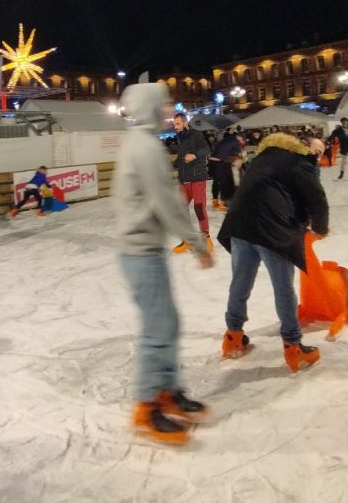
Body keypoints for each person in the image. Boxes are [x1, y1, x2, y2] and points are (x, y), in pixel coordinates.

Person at [114, 83, 213, 445]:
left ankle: (168, 389)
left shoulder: (138, 142)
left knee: (168, 323)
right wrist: (197, 243)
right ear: (151, 106)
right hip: (140, 250)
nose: (169, 108)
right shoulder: (146, 147)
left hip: (142, 249)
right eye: (165, 103)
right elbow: (167, 202)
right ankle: (146, 405)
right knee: (158, 329)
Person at [218, 132, 329, 373]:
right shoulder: (301, 162)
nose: (317, 157)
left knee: (240, 282)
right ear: (303, 148)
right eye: (316, 153)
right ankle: (293, 345)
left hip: (239, 225)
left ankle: (233, 336)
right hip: (272, 230)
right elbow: (316, 198)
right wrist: (320, 228)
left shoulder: (260, 159)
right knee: (283, 286)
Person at [172, 112, 212, 248]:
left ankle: (206, 237)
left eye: (177, 123)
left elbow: (206, 149)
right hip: (184, 179)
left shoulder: (195, 135)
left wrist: (194, 155)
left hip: (197, 178)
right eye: (174, 124)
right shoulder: (180, 139)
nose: (175, 127)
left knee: (199, 208)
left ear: (185, 122)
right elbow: (180, 159)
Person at [210, 129, 242, 211]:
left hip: (213, 161)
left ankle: (215, 201)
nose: (242, 141)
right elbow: (235, 156)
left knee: (217, 181)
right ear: (239, 137)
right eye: (242, 139)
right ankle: (223, 203)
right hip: (221, 162)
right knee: (225, 182)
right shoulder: (236, 142)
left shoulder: (228, 139)